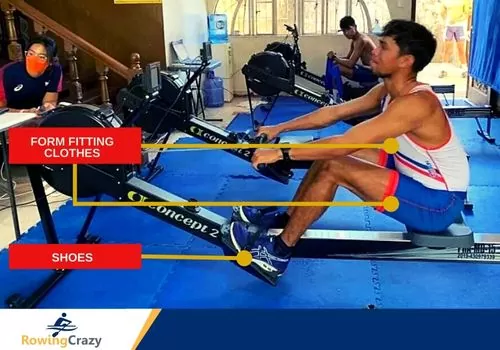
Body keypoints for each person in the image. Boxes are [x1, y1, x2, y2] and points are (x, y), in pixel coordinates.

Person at [229, 19, 470, 278]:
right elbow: (333, 113)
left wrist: (280, 153)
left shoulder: (417, 103)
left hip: (439, 205)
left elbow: (346, 142)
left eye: (383, 47)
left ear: (405, 61)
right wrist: (279, 129)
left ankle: (277, 252)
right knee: (327, 156)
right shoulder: (387, 91)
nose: (374, 51)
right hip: (416, 176)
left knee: (336, 161)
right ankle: (286, 219)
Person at [0, 35, 62, 115]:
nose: (34, 59)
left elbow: (49, 102)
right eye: (30, 53)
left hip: (38, 117)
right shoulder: (8, 72)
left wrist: (45, 108)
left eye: (41, 57)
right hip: (12, 119)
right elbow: (1, 109)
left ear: (50, 62)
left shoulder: (55, 70)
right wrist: (24, 112)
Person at [327, 16, 379, 85]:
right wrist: (335, 57)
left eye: (348, 29)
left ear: (355, 26)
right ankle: (335, 90)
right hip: (367, 70)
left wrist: (335, 58)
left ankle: (338, 92)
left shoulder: (361, 40)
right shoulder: (354, 41)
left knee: (337, 68)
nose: (346, 33)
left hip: (373, 74)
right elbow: (348, 58)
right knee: (335, 65)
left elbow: (350, 64)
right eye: (344, 31)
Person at [439, 0, 473, 78]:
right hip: (448, 26)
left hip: (460, 26)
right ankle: (443, 70)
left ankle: (465, 70)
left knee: (461, 49)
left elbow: (468, 13)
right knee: (447, 50)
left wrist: (457, 20)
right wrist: (444, 22)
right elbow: (442, 13)